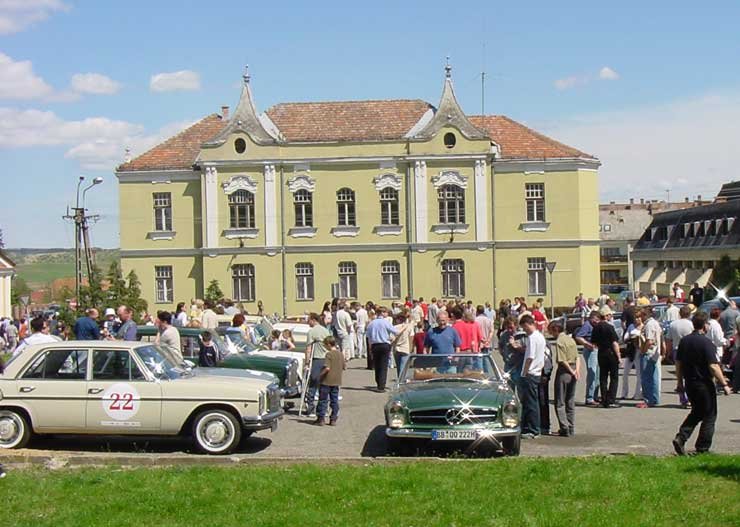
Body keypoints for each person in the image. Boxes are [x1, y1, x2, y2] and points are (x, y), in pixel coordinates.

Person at [673, 311, 732, 455]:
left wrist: (680, 383)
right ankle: (703, 448)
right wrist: (724, 383)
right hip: (704, 384)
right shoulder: (706, 343)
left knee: (697, 411)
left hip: (690, 384)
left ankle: (681, 437)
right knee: (710, 415)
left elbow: (678, 364)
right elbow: (713, 366)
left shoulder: (685, 341)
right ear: (705, 326)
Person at [514, 315, 546, 439]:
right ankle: (530, 427)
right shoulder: (541, 337)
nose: (524, 330)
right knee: (533, 401)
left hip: (530, 373)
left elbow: (530, 357)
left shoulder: (532, 338)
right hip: (537, 372)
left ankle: (533, 429)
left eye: (524, 327)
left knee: (530, 403)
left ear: (528, 324)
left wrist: (524, 372)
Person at [549, 321, 580, 437]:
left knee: (560, 401)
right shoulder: (571, 339)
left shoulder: (560, 341)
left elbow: (562, 360)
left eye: (551, 330)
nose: (550, 333)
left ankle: (564, 427)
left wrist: (570, 371)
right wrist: (576, 371)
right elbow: (577, 357)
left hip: (564, 371)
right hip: (573, 370)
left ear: (556, 329)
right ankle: (571, 426)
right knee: (570, 400)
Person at [591, 311, 622, 408]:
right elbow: (615, 343)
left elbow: (594, 343)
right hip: (611, 353)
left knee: (603, 377)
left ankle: (604, 399)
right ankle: (611, 399)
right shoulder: (609, 327)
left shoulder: (595, 328)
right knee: (614, 377)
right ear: (605, 316)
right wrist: (619, 356)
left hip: (601, 353)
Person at [366, 307, 399, 392]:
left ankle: (378, 383)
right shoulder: (385, 322)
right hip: (384, 344)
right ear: (382, 313)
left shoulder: (371, 323)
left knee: (377, 365)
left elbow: (368, 337)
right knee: (383, 365)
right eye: (386, 312)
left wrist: (370, 348)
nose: (387, 314)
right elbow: (395, 331)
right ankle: (382, 386)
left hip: (375, 345)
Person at [304, 313, 331, 415]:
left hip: (317, 359)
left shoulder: (312, 332)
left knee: (313, 383)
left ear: (313, 320)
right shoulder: (325, 330)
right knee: (324, 384)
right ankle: (323, 408)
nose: (307, 322)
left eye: (308, 320)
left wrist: (306, 362)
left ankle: (310, 407)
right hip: (326, 359)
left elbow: (308, 348)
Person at [315, 336, 345, 426]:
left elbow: (327, 368)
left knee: (323, 400)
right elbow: (344, 367)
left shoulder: (329, 354)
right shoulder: (340, 354)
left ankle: (321, 419)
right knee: (334, 400)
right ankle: (333, 419)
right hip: (337, 381)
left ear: (328, 344)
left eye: (325, 345)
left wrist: (319, 375)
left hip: (327, 381)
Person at [637, 307, 663, 408]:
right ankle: (655, 399)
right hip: (655, 353)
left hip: (648, 353)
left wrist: (643, 351)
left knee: (647, 378)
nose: (640, 318)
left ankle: (648, 400)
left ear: (645, 315)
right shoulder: (655, 323)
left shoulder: (649, 324)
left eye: (641, 316)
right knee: (654, 377)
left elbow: (649, 340)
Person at [575, 311, 601, 406]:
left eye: (598, 320)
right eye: (595, 320)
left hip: (597, 349)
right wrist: (587, 344)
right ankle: (589, 398)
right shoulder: (587, 325)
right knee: (592, 373)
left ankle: (595, 396)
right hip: (590, 350)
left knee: (598, 374)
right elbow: (578, 336)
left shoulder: (596, 325)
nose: (596, 322)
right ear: (591, 318)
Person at [621, 316, 643, 400]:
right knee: (625, 373)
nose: (637, 319)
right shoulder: (631, 326)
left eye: (638, 317)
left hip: (639, 351)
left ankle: (638, 394)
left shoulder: (644, 326)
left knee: (639, 374)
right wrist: (630, 337)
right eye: (635, 317)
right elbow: (625, 338)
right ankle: (624, 394)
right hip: (631, 351)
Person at [499, 316, 524, 389]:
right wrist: (503, 354)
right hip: (508, 365)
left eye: (511, 327)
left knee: (520, 388)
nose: (509, 330)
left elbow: (526, 351)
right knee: (509, 387)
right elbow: (500, 345)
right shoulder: (505, 335)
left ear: (516, 325)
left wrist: (514, 345)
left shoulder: (522, 335)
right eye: (507, 328)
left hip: (519, 365)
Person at [391, 311, 414, 375]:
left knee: (398, 368)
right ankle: (402, 381)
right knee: (403, 367)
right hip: (405, 348)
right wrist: (411, 348)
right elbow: (411, 338)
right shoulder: (409, 327)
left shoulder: (394, 327)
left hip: (396, 348)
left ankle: (399, 381)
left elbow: (391, 339)